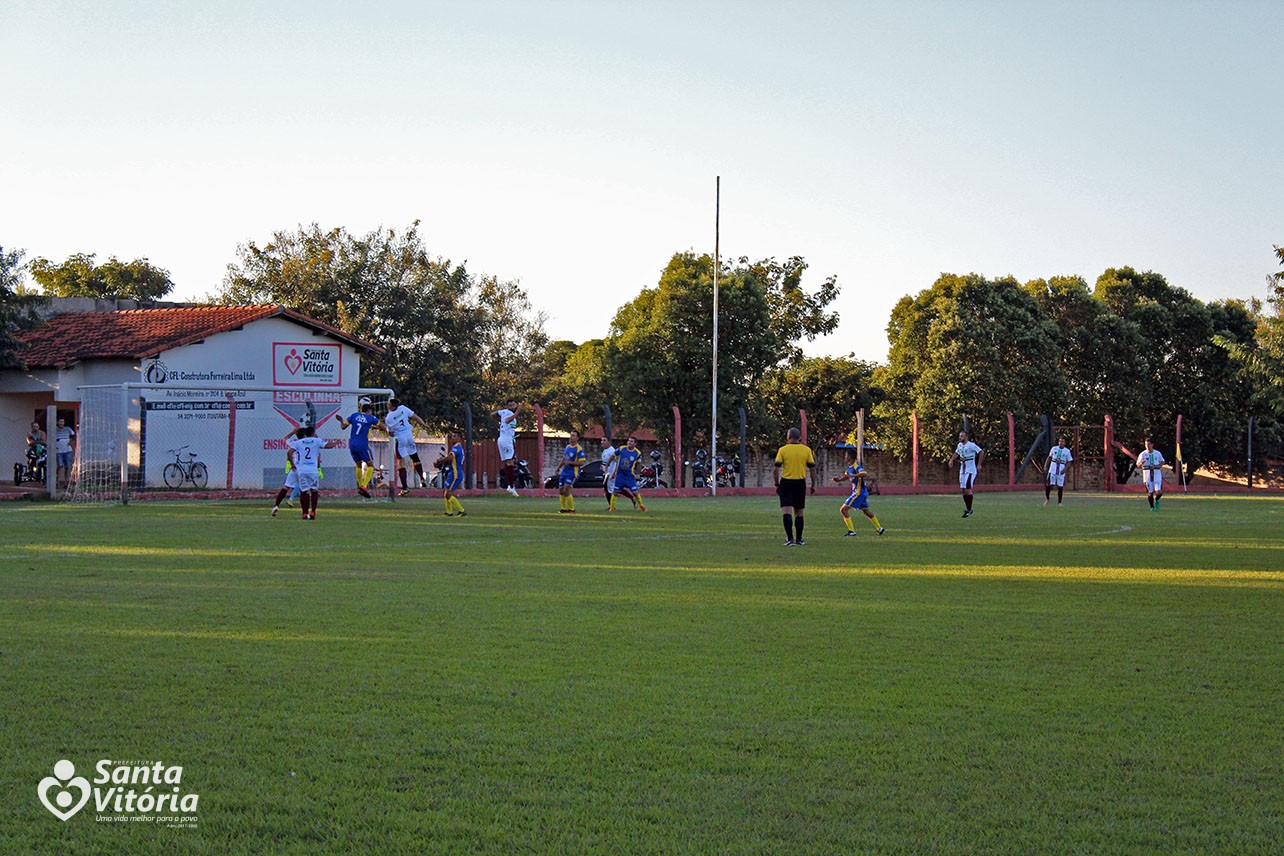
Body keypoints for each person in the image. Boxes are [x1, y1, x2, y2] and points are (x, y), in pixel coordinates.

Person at [773, 427, 818, 546]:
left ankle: (790, 539)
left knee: (786, 511)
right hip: (800, 483)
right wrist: (813, 485)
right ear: (799, 438)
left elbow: (775, 469)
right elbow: (812, 469)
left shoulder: (783, 450)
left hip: (786, 483)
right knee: (799, 512)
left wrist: (777, 483)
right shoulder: (806, 450)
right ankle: (799, 539)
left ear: (788, 437)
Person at [381, 398, 431, 496]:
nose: (387, 405)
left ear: (392, 406)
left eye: (388, 404)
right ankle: (422, 478)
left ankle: (405, 488)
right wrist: (424, 424)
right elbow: (415, 417)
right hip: (409, 436)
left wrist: (387, 431)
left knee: (401, 463)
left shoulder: (389, 417)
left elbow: (391, 434)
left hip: (400, 439)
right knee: (415, 457)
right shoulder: (403, 408)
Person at [336, 396, 382, 497]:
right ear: (368, 409)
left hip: (352, 444)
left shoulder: (354, 415)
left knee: (358, 465)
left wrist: (340, 421)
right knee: (370, 465)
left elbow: (343, 426)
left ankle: (360, 485)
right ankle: (364, 486)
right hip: (362, 445)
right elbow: (382, 427)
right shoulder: (371, 418)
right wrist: (388, 430)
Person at [833, 450, 884, 536]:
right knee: (866, 512)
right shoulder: (850, 468)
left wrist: (853, 475)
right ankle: (880, 528)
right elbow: (846, 476)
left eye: (846, 455)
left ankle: (851, 531)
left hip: (858, 493)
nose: (845, 457)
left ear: (850, 457)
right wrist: (838, 480)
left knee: (843, 510)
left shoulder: (856, 466)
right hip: (861, 493)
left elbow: (864, 473)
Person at [948, 430, 984, 518]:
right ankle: (968, 509)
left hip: (970, 470)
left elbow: (981, 452)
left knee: (968, 488)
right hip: (963, 469)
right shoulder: (960, 445)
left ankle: (969, 509)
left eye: (962, 436)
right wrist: (952, 460)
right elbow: (957, 453)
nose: (960, 438)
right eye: (960, 436)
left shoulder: (971, 445)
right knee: (963, 490)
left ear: (966, 437)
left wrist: (979, 464)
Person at [609, 435, 646, 512]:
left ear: (635, 444)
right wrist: (607, 464)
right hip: (620, 475)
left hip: (630, 476)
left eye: (631, 441)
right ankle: (612, 508)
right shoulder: (622, 448)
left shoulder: (637, 453)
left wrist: (638, 474)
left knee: (635, 492)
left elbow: (639, 464)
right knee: (615, 492)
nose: (629, 442)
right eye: (628, 441)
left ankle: (642, 506)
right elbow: (613, 455)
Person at [495, 399, 522, 496]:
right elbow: (507, 420)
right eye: (510, 405)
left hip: (502, 439)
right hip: (506, 440)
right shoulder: (509, 413)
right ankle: (511, 486)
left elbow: (493, 414)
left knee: (509, 462)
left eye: (513, 405)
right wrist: (517, 412)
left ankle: (510, 485)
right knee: (510, 462)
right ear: (507, 407)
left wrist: (500, 421)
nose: (512, 407)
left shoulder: (503, 412)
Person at [438, 432, 468, 517]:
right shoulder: (456, 447)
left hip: (456, 473)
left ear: (459, 438)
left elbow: (449, 458)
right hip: (452, 472)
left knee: (448, 494)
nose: (452, 438)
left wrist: (439, 461)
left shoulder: (457, 447)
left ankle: (461, 510)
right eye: (451, 436)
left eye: (455, 436)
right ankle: (449, 512)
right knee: (446, 492)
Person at [557, 430, 587, 514]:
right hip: (564, 472)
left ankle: (572, 509)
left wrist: (570, 463)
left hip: (573, 472)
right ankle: (563, 509)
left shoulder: (579, 449)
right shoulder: (567, 447)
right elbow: (564, 458)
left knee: (567, 489)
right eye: (571, 435)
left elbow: (581, 462)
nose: (571, 437)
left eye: (573, 435)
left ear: (577, 438)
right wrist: (558, 467)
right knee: (561, 490)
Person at [1045, 436, 1073, 506]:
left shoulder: (1067, 451)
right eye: (1060, 441)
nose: (1061, 443)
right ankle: (1047, 499)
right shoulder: (1054, 448)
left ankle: (1059, 502)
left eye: (1062, 441)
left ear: (1065, 443)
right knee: (1048, 484)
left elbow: (1069, 461)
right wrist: (1046, 465)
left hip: (1061, 469)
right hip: (1052, 468)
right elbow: (1049, 457)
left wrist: (1065, 469)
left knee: (1060, 486)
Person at [1138, 438, 1165, 510]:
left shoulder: (1157, 453)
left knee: (1158, 492)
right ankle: (1152, 507)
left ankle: (1157, 500)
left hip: (1156, 475)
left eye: (1148, 444)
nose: (1147, 446)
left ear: (1152, 445)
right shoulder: (1143, 454)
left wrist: (1160, 465)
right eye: (1146, 444)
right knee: (1150, 492)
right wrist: (1142, 463)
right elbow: (1138, 465)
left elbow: (1162, 461)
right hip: (1147, 476)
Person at [54, 417, 75, 489]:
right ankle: (56, 481)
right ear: (57, 422)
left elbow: (73, 435)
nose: (61, 423)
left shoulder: (67, 429)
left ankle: (66, 482)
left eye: (63, 422)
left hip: (67, 449)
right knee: (60, 465)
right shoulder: (55, 430)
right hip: (59, 449)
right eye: (60, 422)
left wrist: (70, 441)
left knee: (68, 466)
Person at [600, 436, 618, 508]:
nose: (602, 442)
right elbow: (605, 462)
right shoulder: (605, 450)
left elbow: (617, 462)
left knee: (610, 490)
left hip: (611, 474)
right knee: (606, 489)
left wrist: (614, 472)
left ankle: (612, 506)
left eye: (604, 440)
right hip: (607, 473)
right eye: (602, 440)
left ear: (609, 442)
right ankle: (611, 505)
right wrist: (603, 467)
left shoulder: (612, 450)